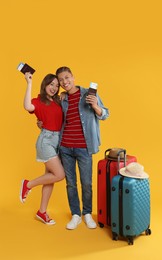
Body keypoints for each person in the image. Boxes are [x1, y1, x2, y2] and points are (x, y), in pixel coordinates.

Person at [56, 66, 109, 230]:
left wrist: (95, 106)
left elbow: (105, 114)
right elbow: (56, 119)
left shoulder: (88, 94)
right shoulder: (62, 99)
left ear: (73, 76)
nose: (65, 82)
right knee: (71, 184)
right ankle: (76, 215)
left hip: (84, 148)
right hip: (65, 148)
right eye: (61, 80)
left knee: (86, 183)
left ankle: (87, 213)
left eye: (67, 77)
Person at [20, 72, 65, 225]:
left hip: (58, 141)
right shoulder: (38, 101)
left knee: (50, 178)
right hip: (46, 141)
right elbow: (27, 106)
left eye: (56, 86)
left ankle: (42, 212)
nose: (54, 88)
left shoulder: (58, 101)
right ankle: (28, 184)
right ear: (45, 84)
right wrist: (29, 83)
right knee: (59, 174)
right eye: (51, 84)